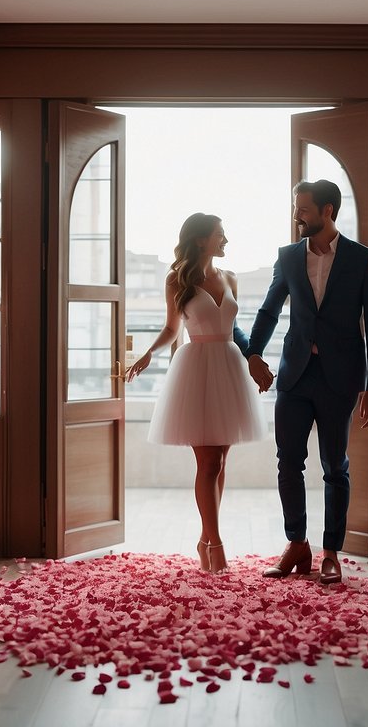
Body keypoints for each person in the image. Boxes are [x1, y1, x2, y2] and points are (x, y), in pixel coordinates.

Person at [246, 179, 368, 585]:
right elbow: (270, 309)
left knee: (334, 467)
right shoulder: (288, 257)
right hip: (294, 376)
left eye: (303, 209)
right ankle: (296, 544)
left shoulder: (362, 259)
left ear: (327, 211)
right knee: (288, 463)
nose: (296, 216)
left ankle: (331, 552)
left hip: (340, 379)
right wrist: (254, 353)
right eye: (295, 208)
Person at [125, 213, 267, 574]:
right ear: (202, 239)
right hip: (197, 369)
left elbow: (236, 328)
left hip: (229, 366)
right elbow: (172, 328)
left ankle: (206, 539)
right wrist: (149, 352)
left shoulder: (231, 277)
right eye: (220, 234)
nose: (226, 240)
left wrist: (254, 359)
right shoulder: (177, 280)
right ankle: (215, 543)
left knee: (221, 462)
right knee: (209, 462)